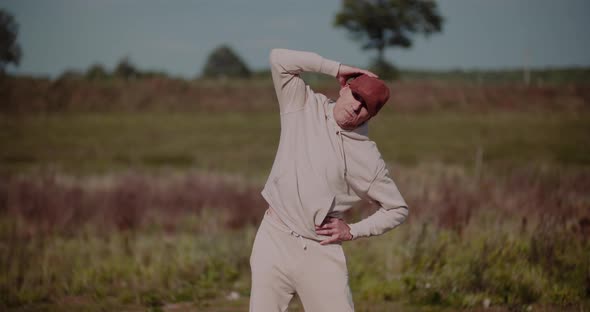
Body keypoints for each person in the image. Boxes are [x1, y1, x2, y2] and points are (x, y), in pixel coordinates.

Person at [249, 48, 409, 312]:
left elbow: (397, 209)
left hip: (319, 249)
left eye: (365, 107)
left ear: (371, 116)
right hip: (273, 237)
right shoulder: (301, 104)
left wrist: (353, 230)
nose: (357, 106)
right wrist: (335, 68)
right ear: (344, 88)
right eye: (356, 96)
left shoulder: (367, 157)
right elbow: (279, 58)